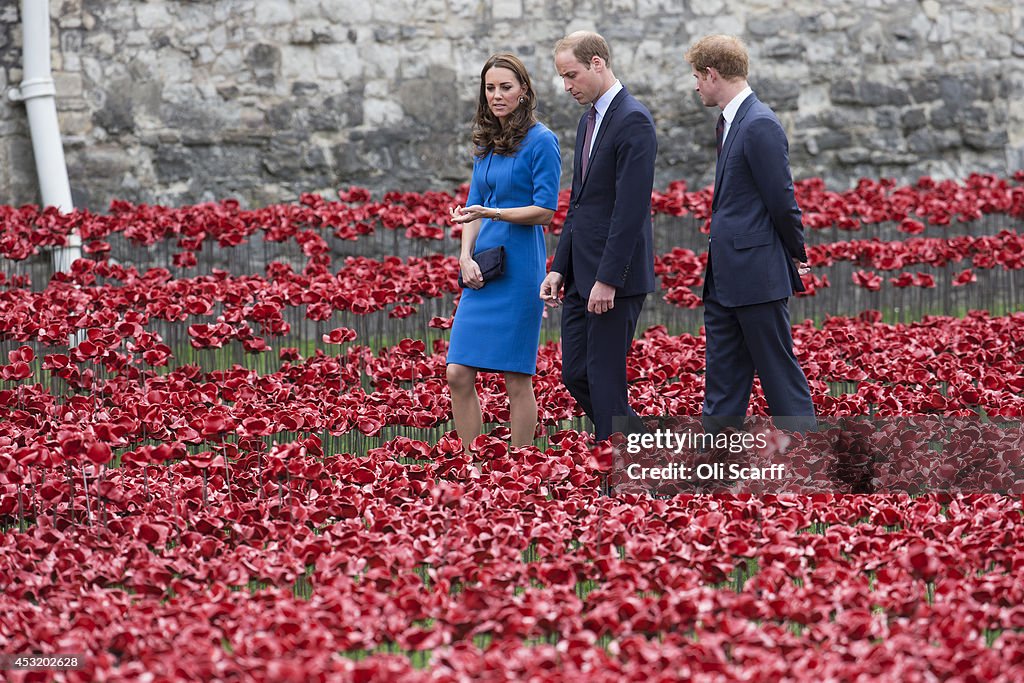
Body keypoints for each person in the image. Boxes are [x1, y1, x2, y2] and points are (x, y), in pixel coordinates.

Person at [684, 34, 817, 434]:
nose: (695, 86)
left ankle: (812, 470)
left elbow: (782, 199)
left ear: (711, 74)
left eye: (696, 76)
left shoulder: (758, 123)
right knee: (722, 385)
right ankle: (713, 476)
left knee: (779, 378)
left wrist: (797, 251)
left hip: (757, 275)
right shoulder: (730, 122)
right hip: (725, 278)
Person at [539, 31, 658, 441]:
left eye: (570, 75)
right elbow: (580, 204)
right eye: (562, 78)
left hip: (613, 280)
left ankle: (624, 481)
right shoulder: (589, 120)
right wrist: (560, 267)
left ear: (597, 64)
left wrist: (608, 278)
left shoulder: (634, 119)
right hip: (579, 275)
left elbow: (630, 211)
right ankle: (654, 456)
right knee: (576, 374)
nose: (566, 86)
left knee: (605, 384)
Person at [447, 53, 561, 453]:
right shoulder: (485, 143)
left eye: (505, 87)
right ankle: (475, 464)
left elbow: (546, 210)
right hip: (483, 263)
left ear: (524, 91)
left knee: (516, 378)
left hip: (520, 264)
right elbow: (471, 206)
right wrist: (465, 258)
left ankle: (520, 467)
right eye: (490, 88)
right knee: (458, 372)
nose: (497, 95)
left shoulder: (542, 140)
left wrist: (493, 212)